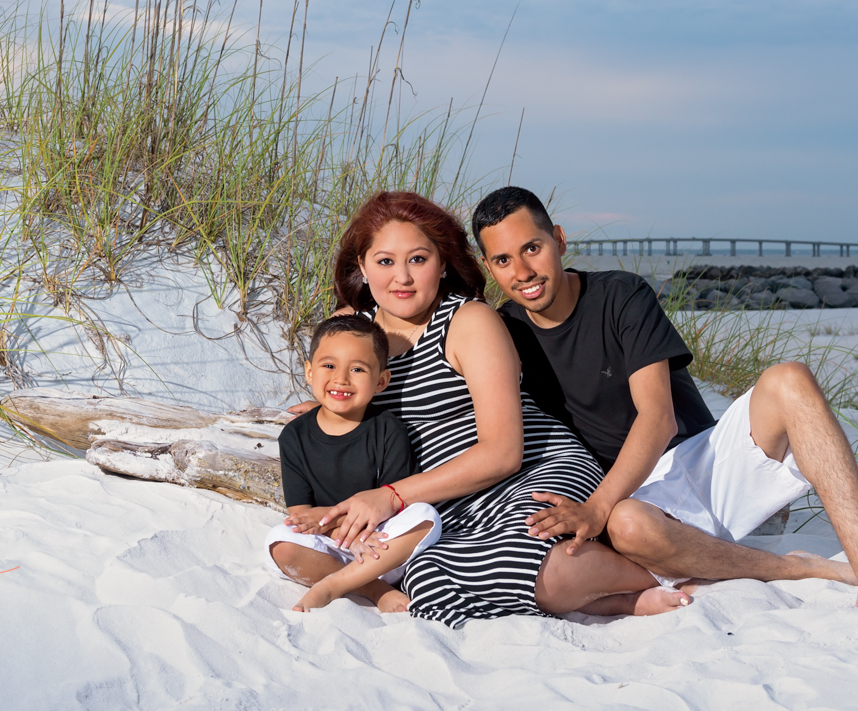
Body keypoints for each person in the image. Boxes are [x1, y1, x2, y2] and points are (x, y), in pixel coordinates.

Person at [470, 185, 858, 627]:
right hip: (642, 503)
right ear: (489, 268)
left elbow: (658, 416)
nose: (522, 271)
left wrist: (596, 508)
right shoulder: (505, 332)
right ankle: (794, 566)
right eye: (503, 260)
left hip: (704, 461)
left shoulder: (621, 294)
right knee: (626, 522)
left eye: (532, 248)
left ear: (558, 239)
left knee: (789, 378)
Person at [282, 191, 691, 627]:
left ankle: (648, 578)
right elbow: (342, 387)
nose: (401, 278)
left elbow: (503, 453)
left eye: (418, 260)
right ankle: (606, 597)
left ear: (442, 262)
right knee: (423, 578)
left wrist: (391, 496)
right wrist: (332, 409)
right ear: (362, 267)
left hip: (532, 471)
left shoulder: (469, 321)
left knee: (538, 567)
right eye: (385, 262)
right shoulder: (354, 327)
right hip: (446, 499)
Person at [265, 313, 443, 613]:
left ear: (381, 381)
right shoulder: (294, 435)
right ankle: (371, 588)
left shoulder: (388, 430)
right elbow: (300, 515)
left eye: (358, 369)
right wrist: (342, 534)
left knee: (426, 516)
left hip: (381, 547)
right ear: (309, 371)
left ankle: (333, 585)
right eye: (329, 366)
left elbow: (398, 500)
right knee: (279, 540)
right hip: (330, 545)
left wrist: (362, 535)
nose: (341, 379)